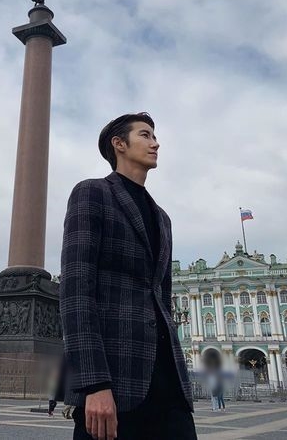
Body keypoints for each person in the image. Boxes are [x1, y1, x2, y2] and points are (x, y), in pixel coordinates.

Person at [60, 112, 196, 440]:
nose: (156, 142)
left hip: (168, 384)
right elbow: (76, 290)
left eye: (154, 136)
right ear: (119, 144)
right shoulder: (92, 193)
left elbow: (161, 299)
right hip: (114, 382)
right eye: (146, 135)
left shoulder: (162, 218)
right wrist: (94, 384)